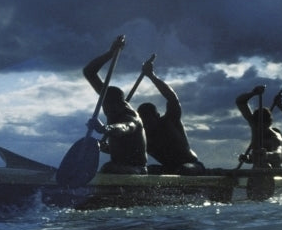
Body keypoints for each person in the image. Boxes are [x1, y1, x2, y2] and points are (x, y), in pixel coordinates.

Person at [83, 35, 147, 174]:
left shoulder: (130, 117)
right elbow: (88, 72)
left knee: (108, 168)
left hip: (137, 170)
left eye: (110, 108)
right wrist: (110, 53)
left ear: (119, 104)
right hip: (119, 165)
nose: (107, 110)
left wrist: (105, 128)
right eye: (105, 106)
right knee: (108, 167)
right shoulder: (108, 101)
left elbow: (124, 128)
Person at [135, 57, 206, 174]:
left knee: (183, 169)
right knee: (144, 171)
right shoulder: (143, 137)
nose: (146, 123)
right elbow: (127, 149)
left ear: (157, 116)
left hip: (192, 166)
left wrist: (151, 76)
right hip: (170, 169)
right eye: (143, 120)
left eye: (149, 118)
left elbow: (172, 99)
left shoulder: (169, 120)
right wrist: (106, 147)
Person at [235, 85, 282, 167]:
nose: (259, 128)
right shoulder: (254, 125)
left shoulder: (275, 137)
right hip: (257, 172)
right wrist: (253, 93)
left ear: (269, 123)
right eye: (257, 125)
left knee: (267, 166)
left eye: (263, 126)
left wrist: (267, 155)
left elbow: (278, 155)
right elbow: (240, 102)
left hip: (272, 172)